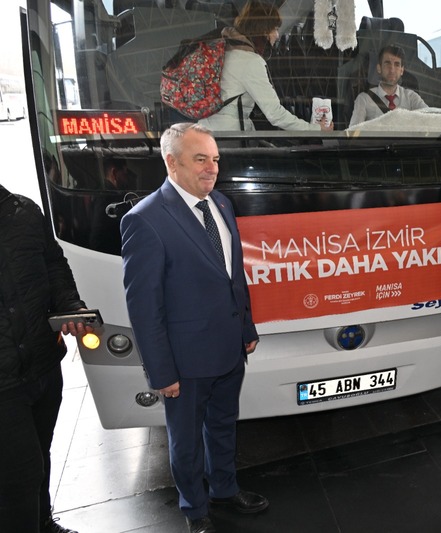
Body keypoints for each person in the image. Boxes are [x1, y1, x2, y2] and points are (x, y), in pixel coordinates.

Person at [121, 123, 264, 533]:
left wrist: (246, 329)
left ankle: (224, 490)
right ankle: (195, 509)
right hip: (184, 362)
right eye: (201, 159)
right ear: (172, 162)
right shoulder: (145, 220)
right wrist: (161, 371)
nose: (212, 168)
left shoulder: (220, 203)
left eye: (215, 159)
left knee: (222, 426)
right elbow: (144, 308)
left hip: (228, 349)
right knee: (185, 441)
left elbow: (233, 277)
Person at [0, 184, 88, 533]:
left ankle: (43, 522)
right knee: (19, 474)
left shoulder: (24, 211)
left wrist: (70, 305)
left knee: (40, 452)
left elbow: (54, 266)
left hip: (42, 364)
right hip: (4, 381)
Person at [198, 0, 331, 132]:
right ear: (263, 30)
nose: (277, 36)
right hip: (229, 136)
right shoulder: (250, 61)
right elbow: (275, 114)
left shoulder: (225, 52)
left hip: (207, 131)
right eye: (275, 29)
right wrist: (315, 129)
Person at [348, 44, 428, 127]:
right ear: (379, 68)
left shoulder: (411, 98)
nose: (392, 70)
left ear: (402, 70)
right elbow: (353, 132)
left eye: (397, 64)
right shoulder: (364, 99)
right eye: (387, 63)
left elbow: (430, 120)